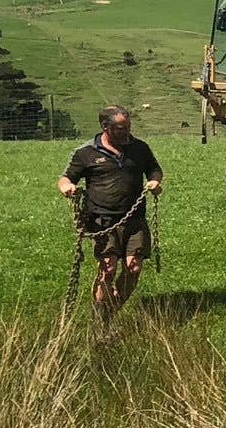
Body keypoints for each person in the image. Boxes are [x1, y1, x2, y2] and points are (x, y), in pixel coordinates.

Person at [58, 105, 162, 324]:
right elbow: (66, 178)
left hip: (135, 219)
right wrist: (67, 188)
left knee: (134, 268)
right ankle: (99, 315)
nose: (127, 133)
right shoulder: (86, 153)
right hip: (103, 221)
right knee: (108, 268)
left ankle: (111, 311)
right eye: (121, 129)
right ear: (105, 127)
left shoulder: (139, 148)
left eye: (128, 128)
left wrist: (154, 181)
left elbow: (154, 168)